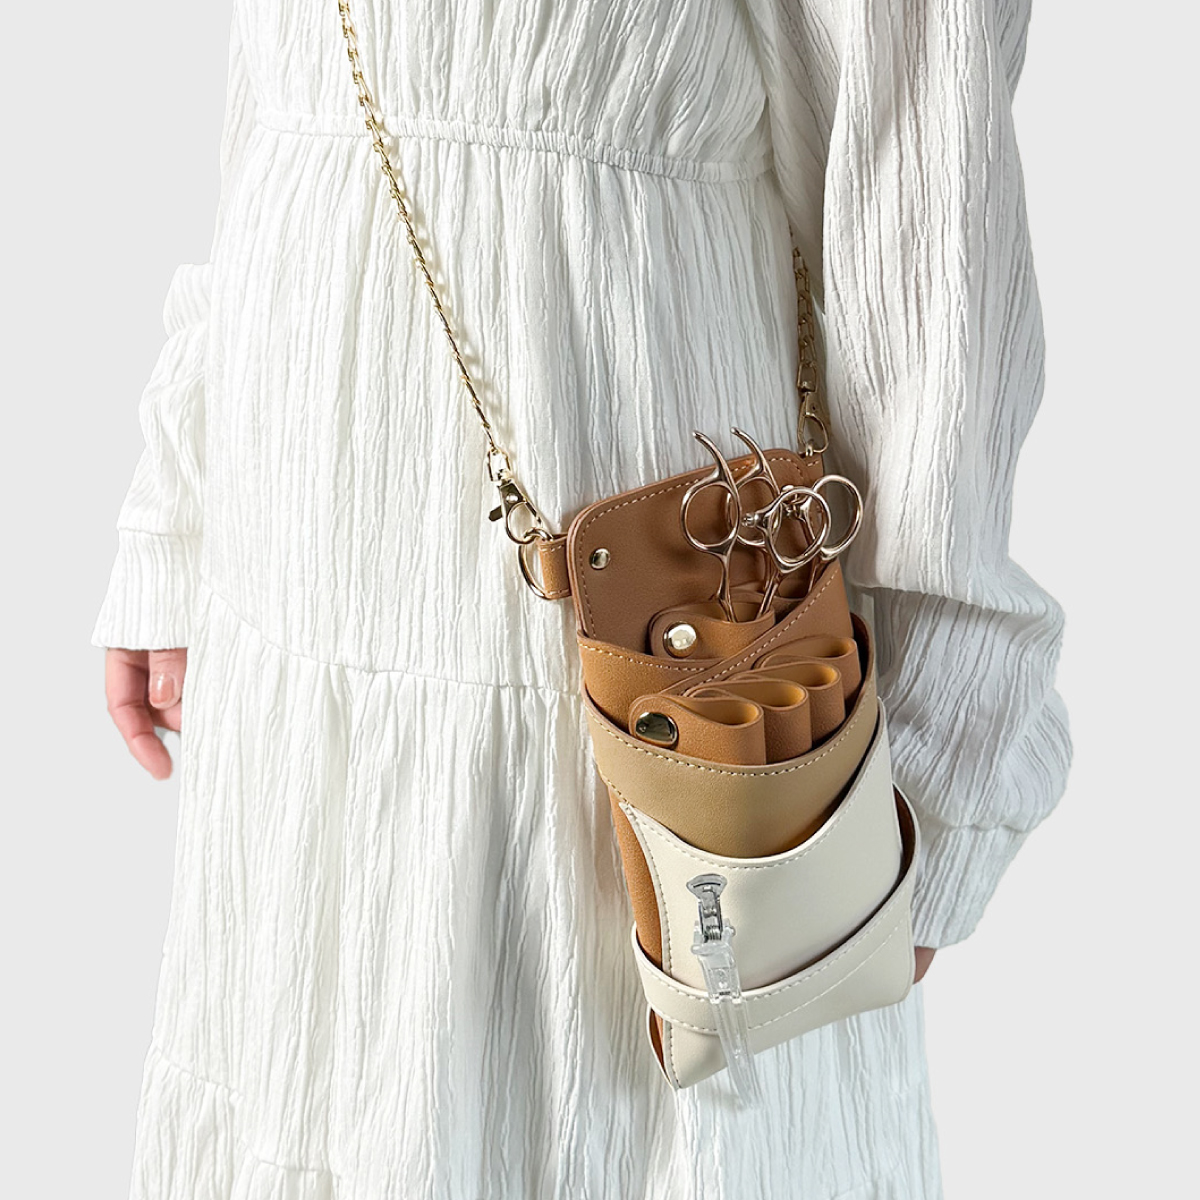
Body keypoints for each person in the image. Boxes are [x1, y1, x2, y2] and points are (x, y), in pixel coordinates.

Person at [91, 0, 1071, 1196]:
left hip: (644, 641)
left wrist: (944, 765)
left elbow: (927, 211)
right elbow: (287, 103)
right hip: (293, 568)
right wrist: (180, 505)